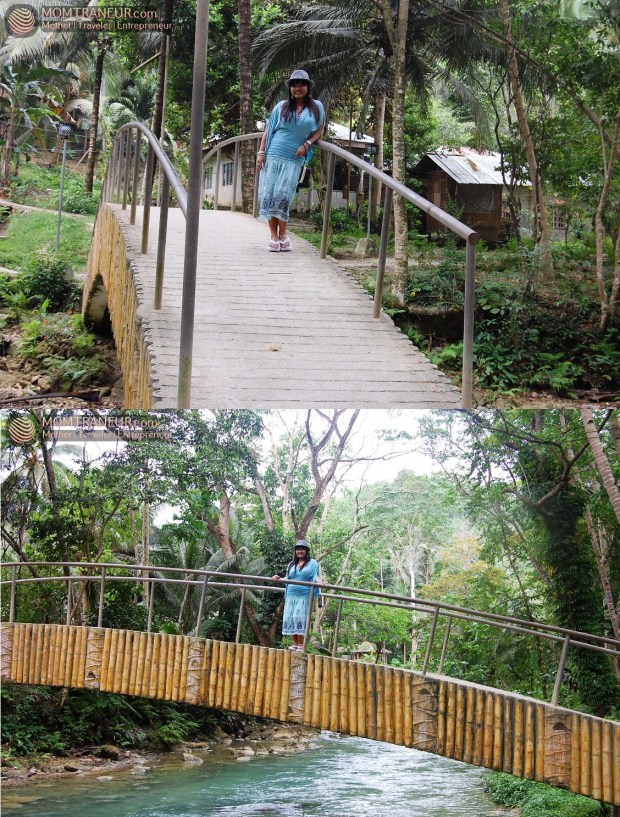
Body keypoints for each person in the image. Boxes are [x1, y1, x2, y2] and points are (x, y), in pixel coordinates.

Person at [256, 69, 325, 253]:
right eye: (294, 85)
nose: (297, 88)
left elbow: (319, 130)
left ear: (308, 87)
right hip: (273, 154)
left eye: (301, 84)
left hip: (294, 158)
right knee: (270, 195)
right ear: (290, 89)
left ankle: (284, 234)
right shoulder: (281, 106)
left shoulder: (317, 107)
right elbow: (269, 131)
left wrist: (308, 143)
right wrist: (261, 152)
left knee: (283, 196)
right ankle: (274, 236)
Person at [273, 540, 321, 651]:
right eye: (298, 549)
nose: (300, 551)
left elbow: (315, 576)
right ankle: (295, 643)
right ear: (295, 551)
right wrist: (278, 578)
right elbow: (288, 578)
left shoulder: (313, 563)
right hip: (290, 595)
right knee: (290, 618)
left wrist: (321, 582)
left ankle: (301, 645)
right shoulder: (291, 564)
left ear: (306, 551)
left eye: (302, 549)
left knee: (299, 618)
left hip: (303, 596)